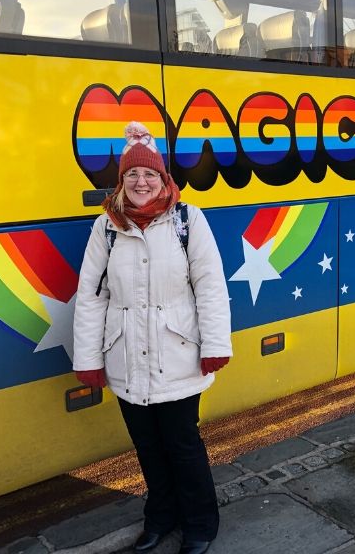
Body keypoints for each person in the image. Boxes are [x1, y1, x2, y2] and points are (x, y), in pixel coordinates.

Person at [73, 121, 232, 554]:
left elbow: (211, 285)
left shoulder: (187, 220)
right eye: (131, 175)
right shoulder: (105, 227)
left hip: (178, 355)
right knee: (147, 449)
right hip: (126, 358)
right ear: (121, 181)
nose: (140, 182)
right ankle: (160, 519)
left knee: (183, 446)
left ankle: (200, 525)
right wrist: (88, 359)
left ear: (163, 178)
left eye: (149, 174)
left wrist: (216, 345)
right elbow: (91, 295)